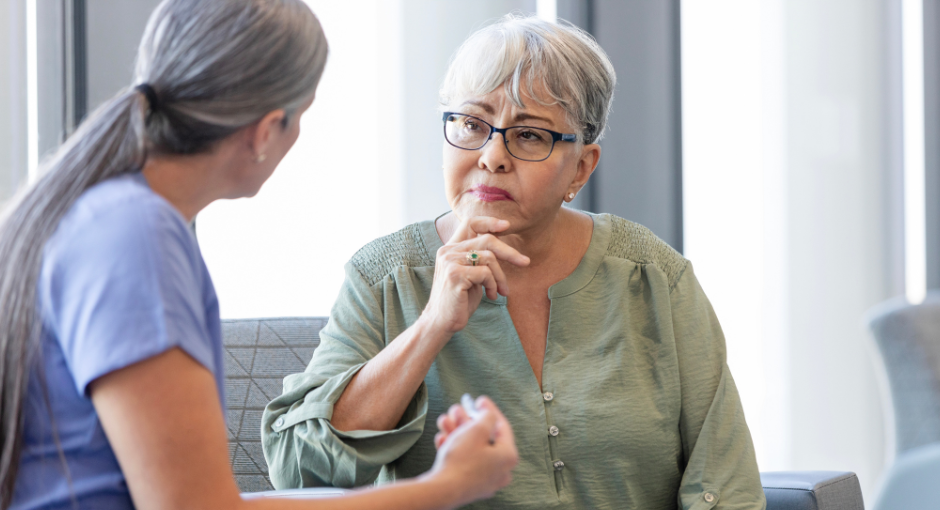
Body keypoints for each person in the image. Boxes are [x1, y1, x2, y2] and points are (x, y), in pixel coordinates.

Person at [0, 1, 518, 509]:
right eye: (301, 119)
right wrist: (450, 485)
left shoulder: (105, 216)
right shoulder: (137, 237)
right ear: (267, 130)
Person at [263, 13, 767, 510]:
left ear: (582, 166)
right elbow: (299, 470)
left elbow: (726, 484)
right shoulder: (384, 277)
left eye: (529, 135)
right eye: (471, 123)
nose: (491, 156)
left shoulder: (655, 277)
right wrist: (433, 325)